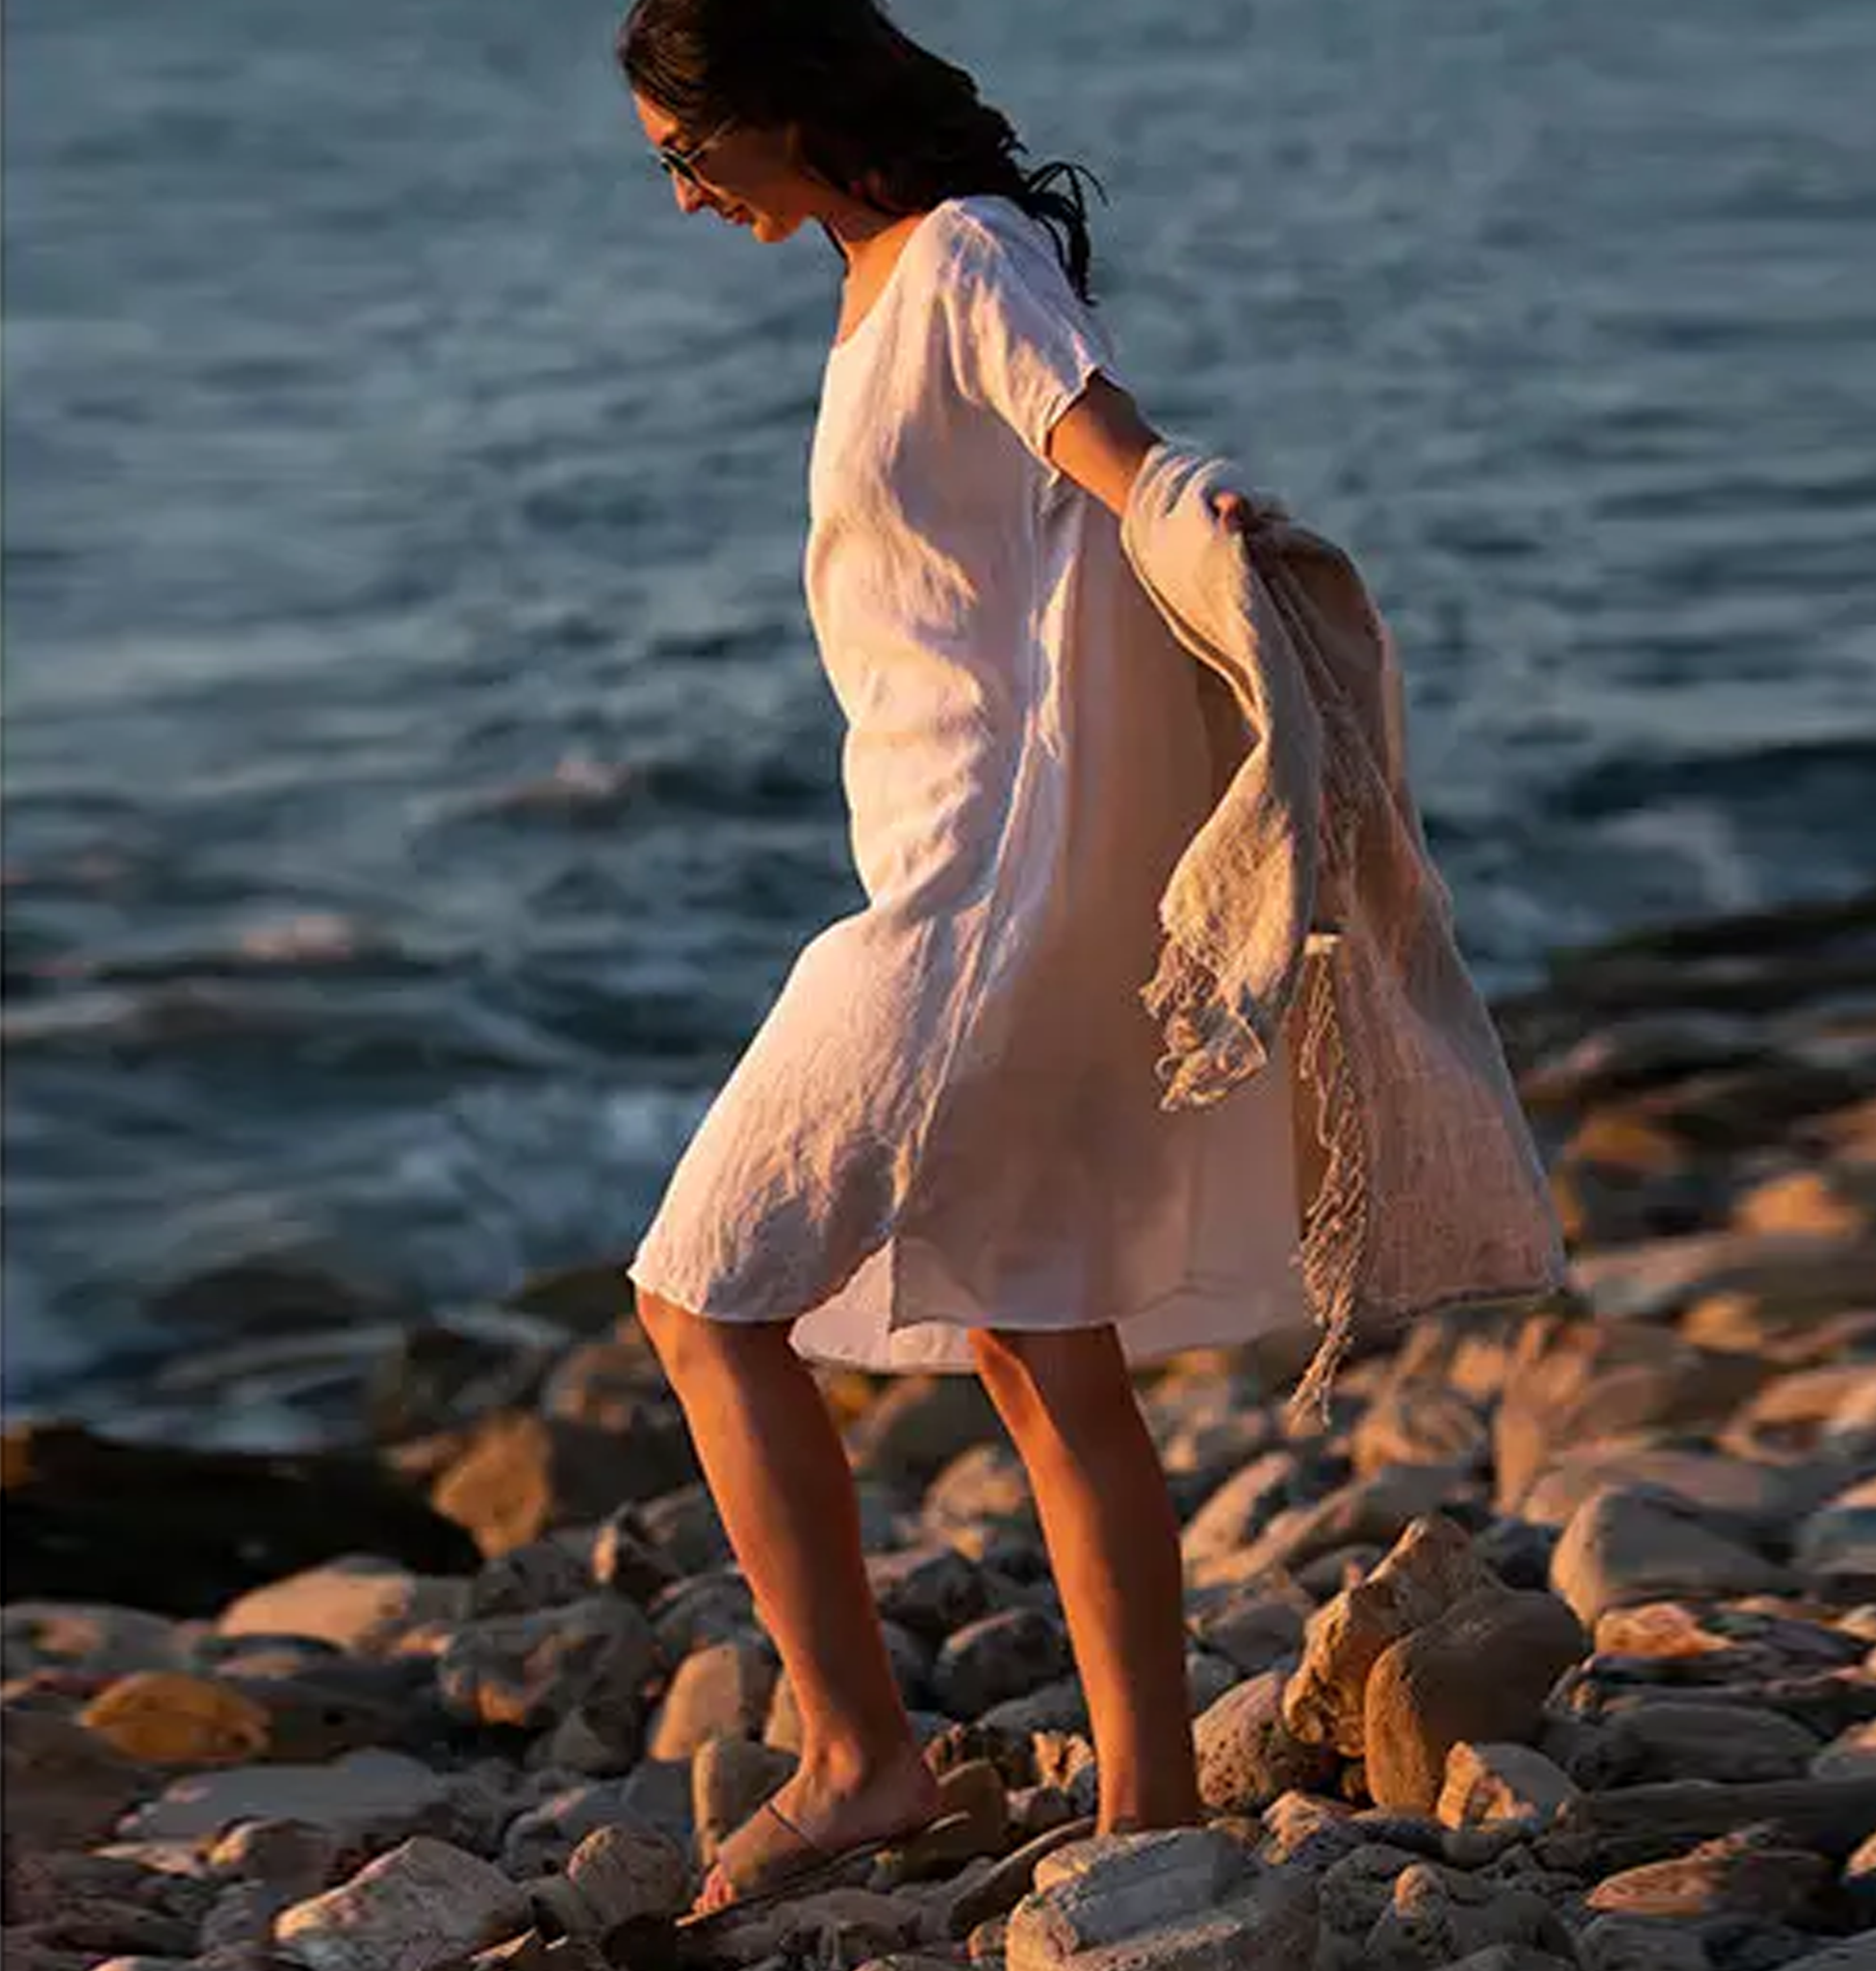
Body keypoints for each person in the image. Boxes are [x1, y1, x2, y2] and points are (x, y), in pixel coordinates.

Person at [615, 0, 1285, 1919]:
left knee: (699, 1299)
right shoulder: (880, 275)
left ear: (784, 106)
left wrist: (1212, 518)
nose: (682, 198)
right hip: (951, 867)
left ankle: (857, 1756)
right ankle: (1151, 1809)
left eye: (687, 152)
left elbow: (1115, 451)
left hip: (966, 900)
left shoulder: (967, 256)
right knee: (1034, 1338)